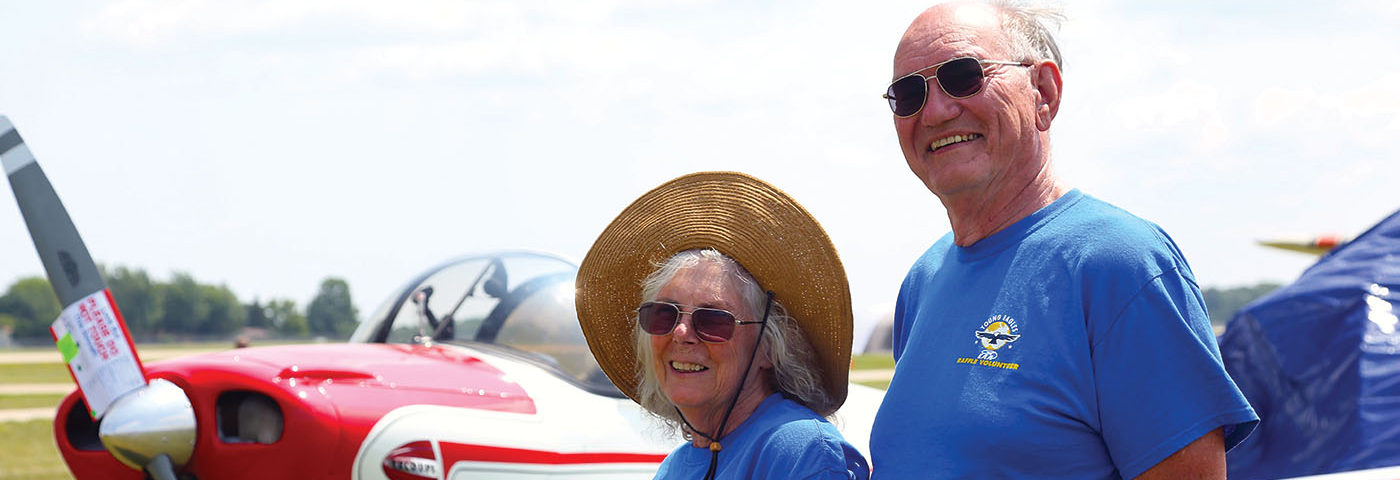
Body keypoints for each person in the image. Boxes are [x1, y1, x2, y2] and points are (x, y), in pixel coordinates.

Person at [869, 1, 1259, 479]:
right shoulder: (923, 281)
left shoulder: (1122, 265)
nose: (935, 111)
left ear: (1044, 92)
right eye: (908, 94)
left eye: (963, 76)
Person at [576, 171, 871, 479]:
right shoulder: (674, 469)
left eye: (713, 320)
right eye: (664, 315)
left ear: (768, 347)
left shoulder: (802, 452)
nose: (681, 333)